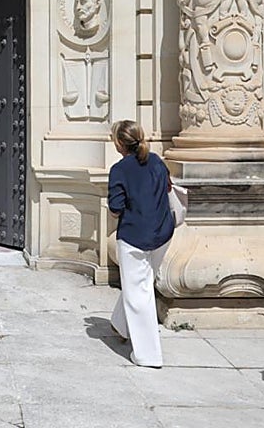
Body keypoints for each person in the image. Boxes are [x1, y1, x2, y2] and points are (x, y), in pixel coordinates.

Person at [107, 119, 175, 369]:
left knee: (138, 293)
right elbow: (168, 188)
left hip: (135, 236)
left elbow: (116, 208)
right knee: (140, 283)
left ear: (119, 143)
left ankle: (148, 355)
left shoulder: (119, 170)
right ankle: (120, 324)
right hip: (163, 232)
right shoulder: (156, 161)